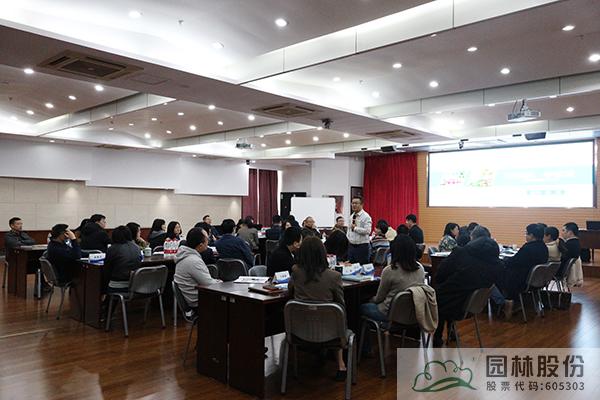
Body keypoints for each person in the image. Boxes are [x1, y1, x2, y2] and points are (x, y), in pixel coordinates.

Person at [433, 225, 504, 346]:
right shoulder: (497, 263)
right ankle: (451, 332)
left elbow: (440, 274)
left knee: (441, 293)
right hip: (474, 305)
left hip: (453, 304)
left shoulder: (461, 253)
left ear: (472, 237)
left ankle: (438, 336)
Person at [288, 236, 347, 381]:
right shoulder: (334, 276)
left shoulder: (296, 271)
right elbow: (341, 304)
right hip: (330, 330)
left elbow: (290, 291)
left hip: (299, 328)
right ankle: (341, 365)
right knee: (337, 317)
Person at [360, 235, 425, 353]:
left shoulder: (390, 270)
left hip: (389, 314)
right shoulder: (420, 268)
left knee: (359, 307)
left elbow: (379, 298)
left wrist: (369, 299)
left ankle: (365, 349)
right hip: (413, 313)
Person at [501, 223, 549, 317]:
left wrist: (504, 260)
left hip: (522, 280)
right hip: (536, 280)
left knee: (498, 273)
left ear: (531, 235)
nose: (525, 236)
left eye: (526, 233)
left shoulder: (528, 248)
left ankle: (506, 304)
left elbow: (513, 262)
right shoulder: (543, 247)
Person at [175, 228, 220, 308]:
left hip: (192, 298)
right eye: (207, 239)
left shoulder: (184, 255)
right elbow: (209, 284)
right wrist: (221, 283)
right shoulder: (194, 261)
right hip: (199, 302)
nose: (209, 241)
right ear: (200, 245)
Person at [104, 226, 141, 293]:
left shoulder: (113, 249)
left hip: (117, 286)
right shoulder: (137, 247)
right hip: (135, 284)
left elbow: (107, 269)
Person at [347, 196, 372, 264]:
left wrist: (355, 228)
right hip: (351, 246)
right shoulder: (351, 216)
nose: (354, 205)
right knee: (351, 266)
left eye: (356, 203)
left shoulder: (366, 217)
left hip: (362, 246)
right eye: (352, 203)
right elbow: (349, 230)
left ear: (361, 204)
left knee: (361, 266)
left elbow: (368, 231)